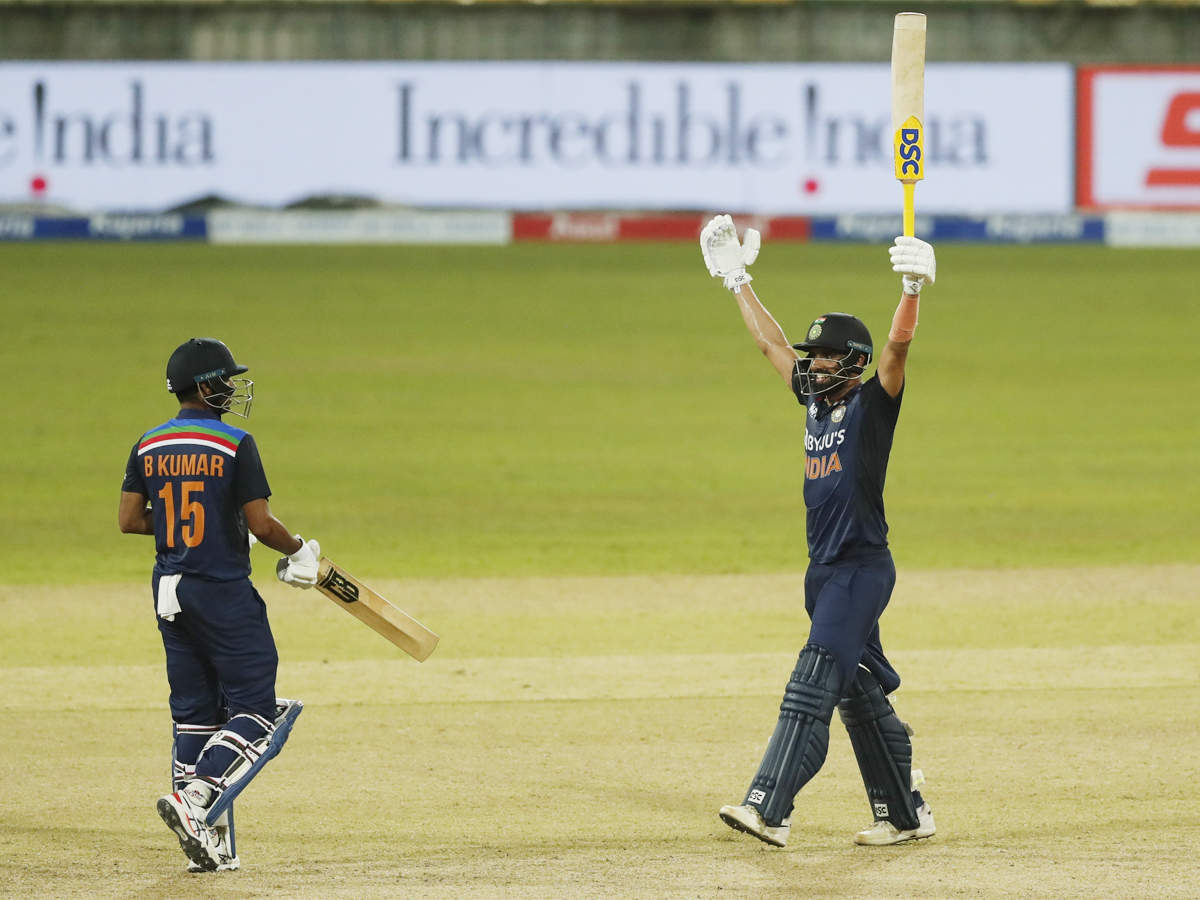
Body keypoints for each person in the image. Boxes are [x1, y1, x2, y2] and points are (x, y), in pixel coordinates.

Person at [699, 215, 938, 847]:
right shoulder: (814, 403)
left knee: (813, 681)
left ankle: (769, 807)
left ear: (853, 364)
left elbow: (897, 352)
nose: (816, 363)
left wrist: (911, 292)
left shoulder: (871, 404)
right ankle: (906, 813)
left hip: (861, 568)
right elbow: (772, 346)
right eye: (816, 355)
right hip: (824, 572)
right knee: (857, 692)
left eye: (829, 355)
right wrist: (737, 281)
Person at [118, 337, 319, 872]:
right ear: (205, 387)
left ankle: (205, 842)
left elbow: (132, 520)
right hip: (221, 591)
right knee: (257, 712)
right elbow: (262, 525)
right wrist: (299, 550)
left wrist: (202, 527)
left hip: (168, 592)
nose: (231, 388)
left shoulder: (148, 442)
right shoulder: (235, 443)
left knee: (195, 716)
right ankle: (198, 800)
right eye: (225, 380)